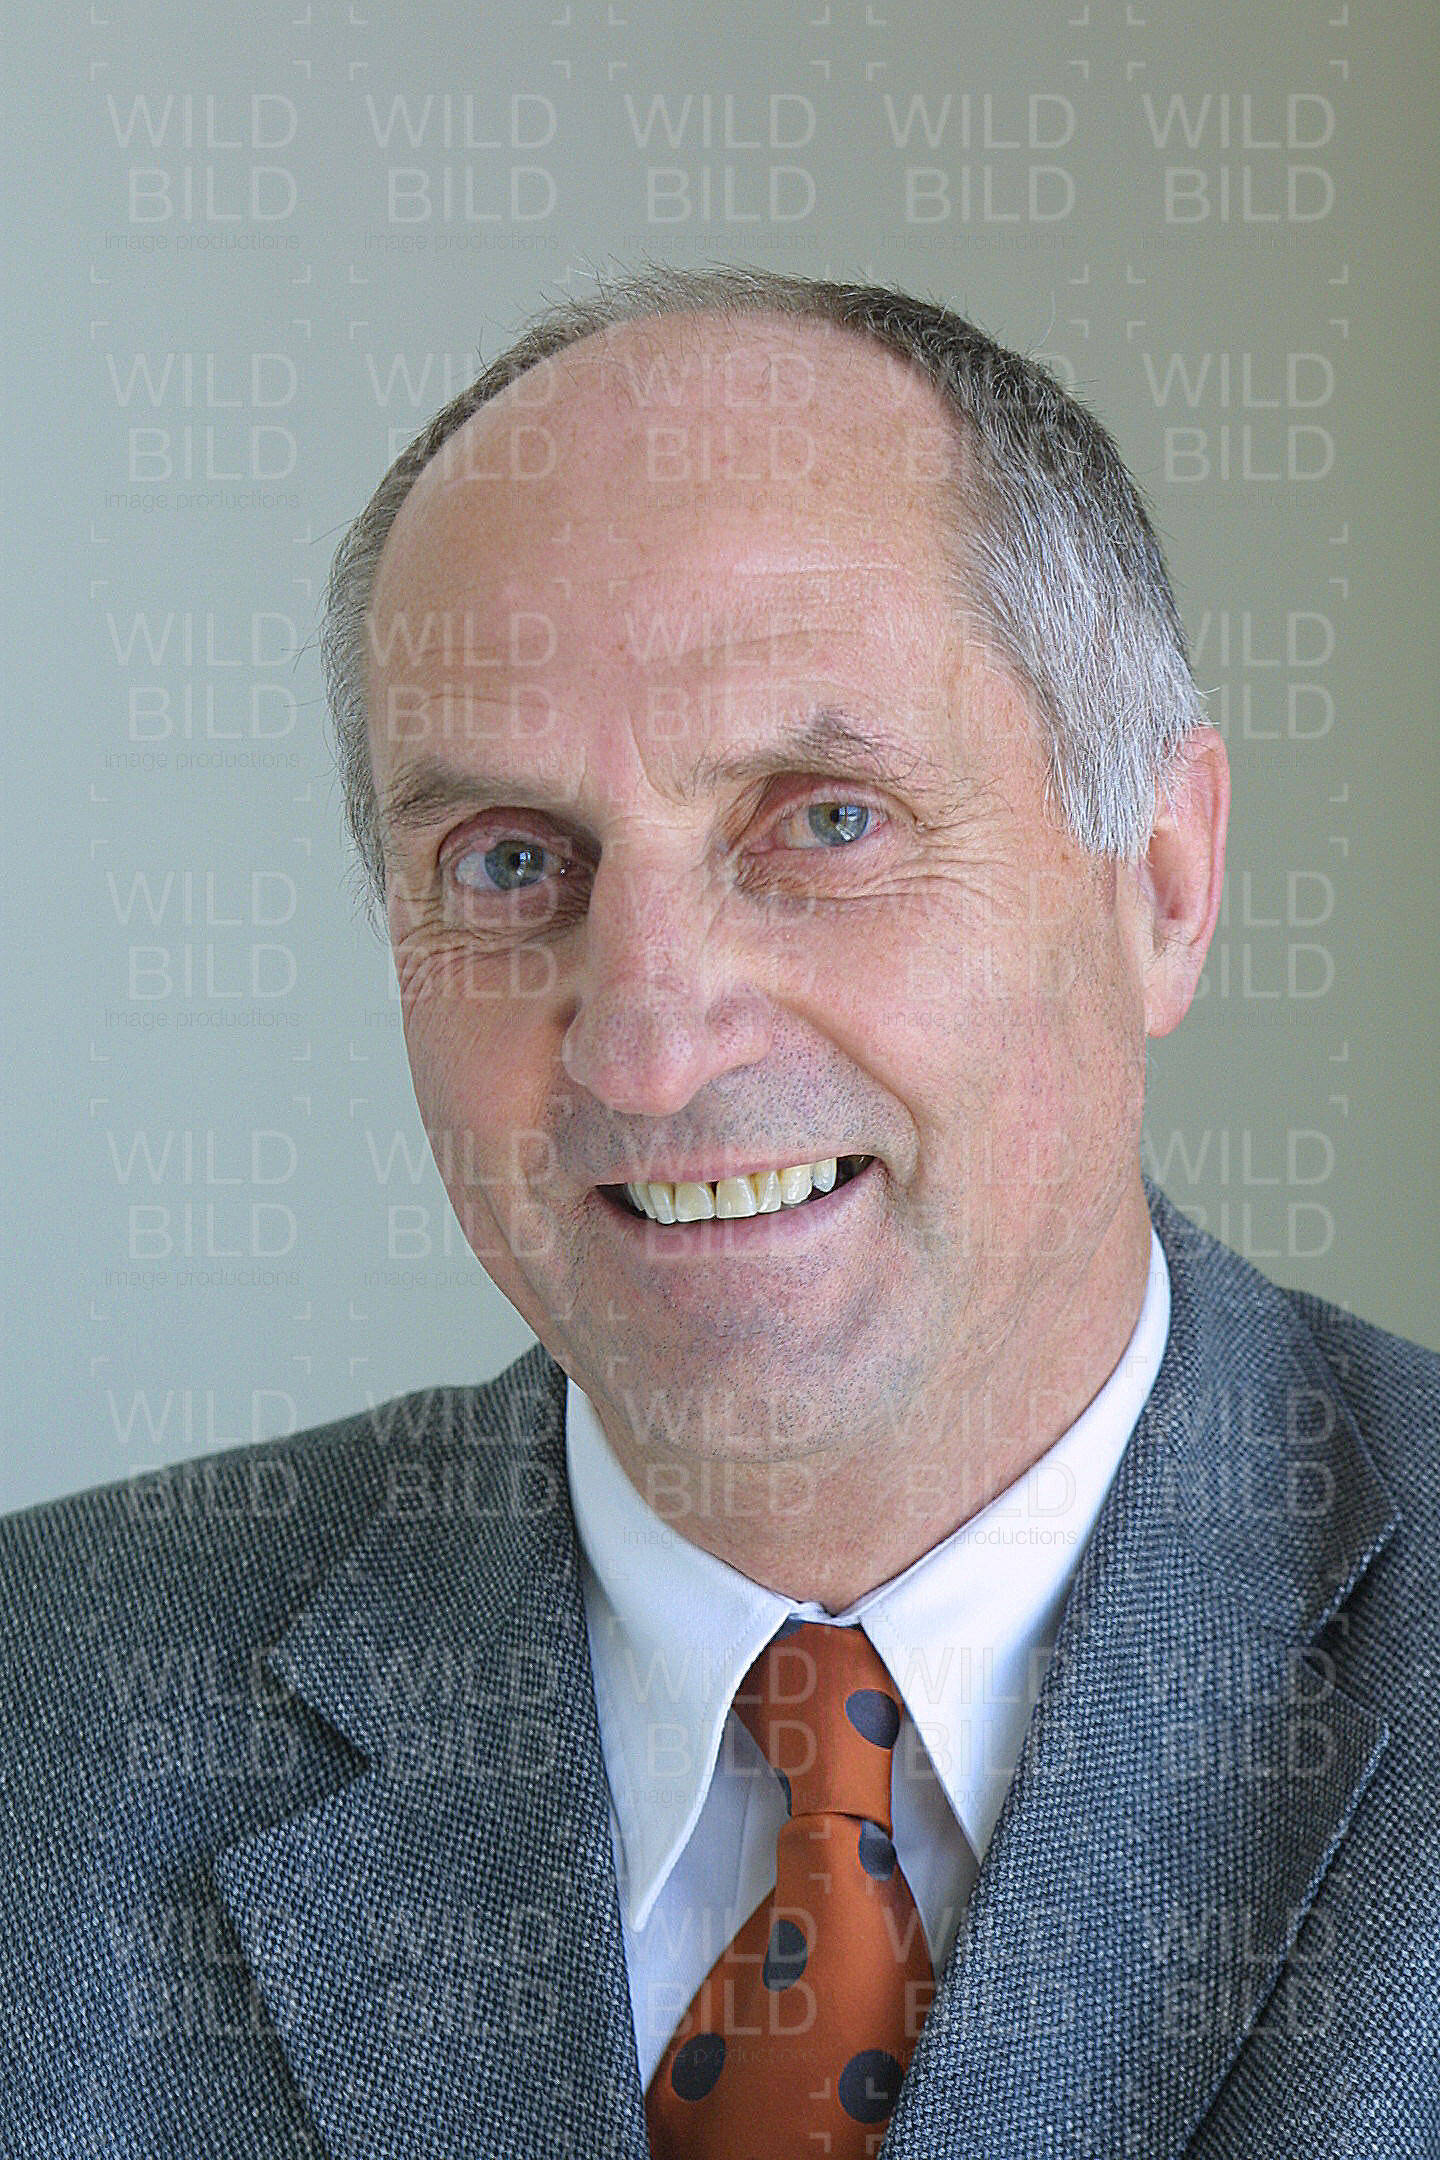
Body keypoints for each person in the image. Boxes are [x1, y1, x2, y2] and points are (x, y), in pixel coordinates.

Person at [2, 268, 1436, 2159]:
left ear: (1161, 884)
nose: (651, 1048)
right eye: (512, 862)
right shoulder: (43, 1718)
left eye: (824, 819)